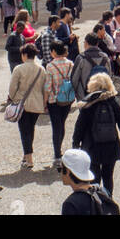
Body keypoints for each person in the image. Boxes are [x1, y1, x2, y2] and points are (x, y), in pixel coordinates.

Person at [72, 72, 120, 195]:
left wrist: (75, 145)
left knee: (94, 177)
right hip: (111, 145)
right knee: (108, 177)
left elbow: (79, 127)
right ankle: (108, 201)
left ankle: (96, 202)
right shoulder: (113, 102)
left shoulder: (88, 104)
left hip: (91, 146)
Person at [8, 43, 48, 170]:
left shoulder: (19, 69)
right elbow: (44, 88)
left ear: (24, 55)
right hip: (37, 103)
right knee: (30, 129)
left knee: (24, 131)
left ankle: (29, 159)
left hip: (22, 103)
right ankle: (26, 155)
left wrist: (15, 99)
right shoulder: (41, 69)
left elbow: (12, 88)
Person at [58, 147, 120, 216]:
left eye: (60, 169)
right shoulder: (103, 192)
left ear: (68, 171)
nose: (60, 172)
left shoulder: (71, 204)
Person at [45, 39, 77, 167]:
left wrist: (44, 102)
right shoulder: (70, 64)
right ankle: (58, 151)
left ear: (53, 52)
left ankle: (57, 154)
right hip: (67, 98)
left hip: (54, 100)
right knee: (61, 124)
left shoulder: (50, 66)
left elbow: (48, 87)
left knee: (56, 127)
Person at [71, 33, 111, 101]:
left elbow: (74, 78)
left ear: (86, 43)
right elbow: (109, 75)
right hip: (102, 95)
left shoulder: (81, 58)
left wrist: (73, 93)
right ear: (97, 44)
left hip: (84, 95)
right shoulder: (105, 57)